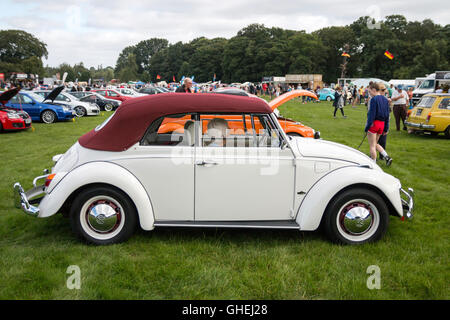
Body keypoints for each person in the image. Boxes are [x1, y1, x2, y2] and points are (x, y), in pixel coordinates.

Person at [364, 82, 392, 166]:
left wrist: (367, 127)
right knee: (375, 143)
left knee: (372, 146)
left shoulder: (374, 99)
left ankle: (373, 164)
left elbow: (371, 115)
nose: (369, 94)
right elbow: (387, 115)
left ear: (373, 90)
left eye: (369, 92)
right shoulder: (385, 99)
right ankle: (387, 157)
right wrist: (386, 128)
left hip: (374, 124)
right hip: (382, 124)